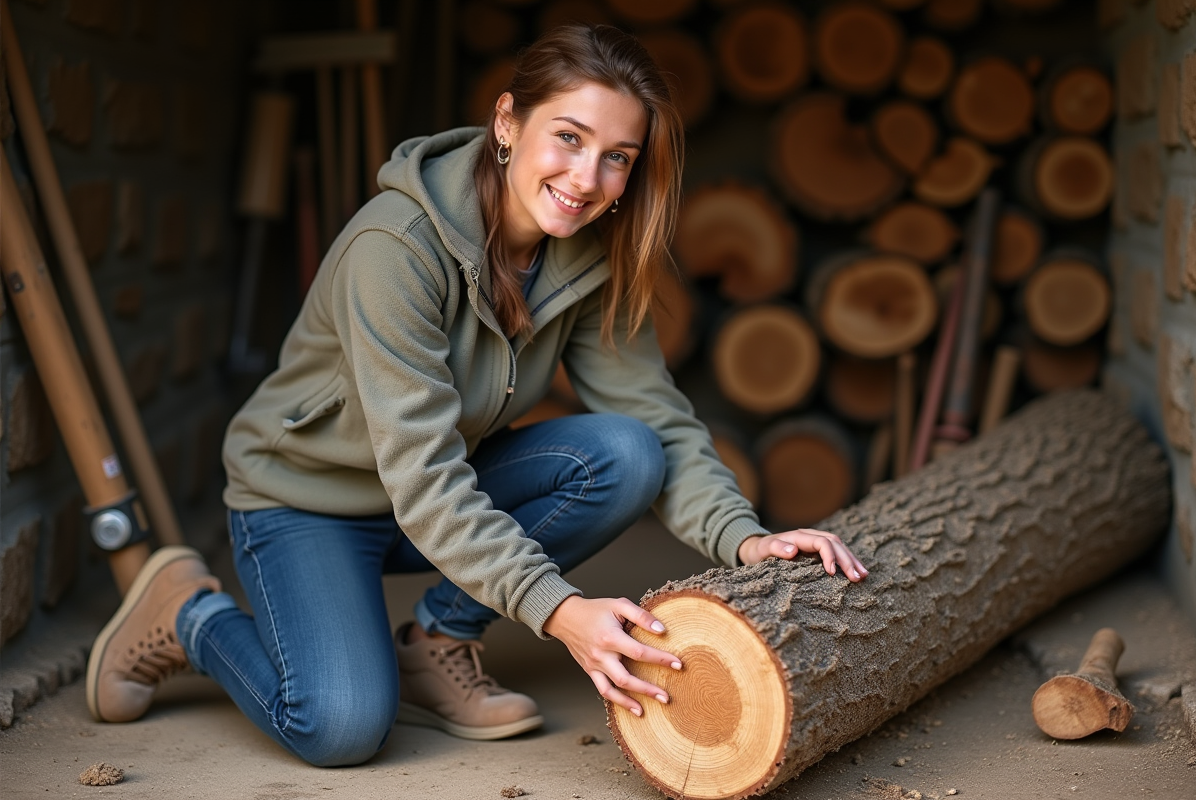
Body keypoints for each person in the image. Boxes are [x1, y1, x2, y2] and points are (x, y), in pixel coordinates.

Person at [85, 23, 868, 767]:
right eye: (569, 137)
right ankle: (188, 613)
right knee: (340, 726)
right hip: (305, 502)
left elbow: (653, 416)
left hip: (426, 500)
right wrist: (560, 612)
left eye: (618, 157)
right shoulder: (394, 251)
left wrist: (743, 537)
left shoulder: (585, 258)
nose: (586, 180)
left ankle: (437, 642)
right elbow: (424, 475)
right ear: (507, 122)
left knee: (628, 455)